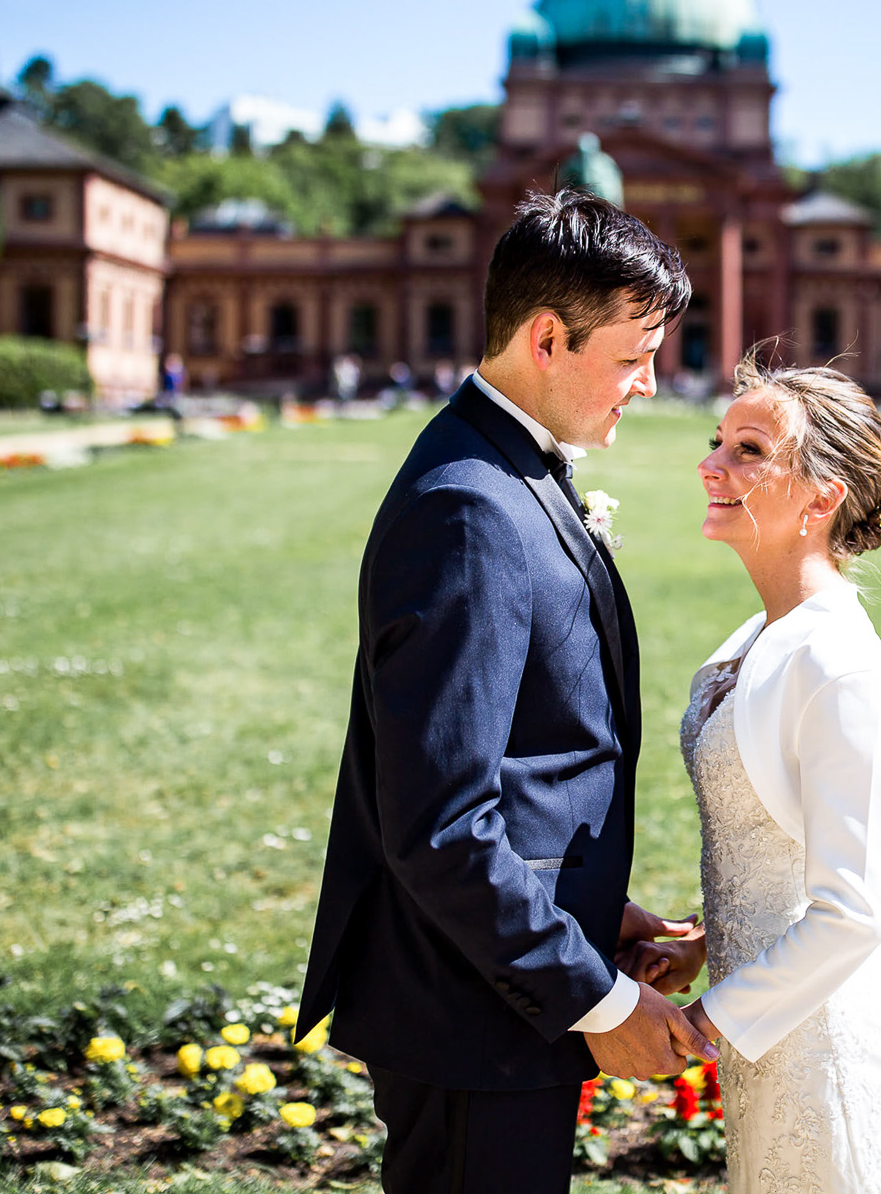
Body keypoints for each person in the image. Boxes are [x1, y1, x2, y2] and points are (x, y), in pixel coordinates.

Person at [296, 189, 711, 1194]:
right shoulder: (467, 507)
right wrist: (596, 999)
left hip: (493, 990)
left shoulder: (506, 465)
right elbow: (442, 824)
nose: (650, 384)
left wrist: (594, 908)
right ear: (546, 339)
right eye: (634, 355)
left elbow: (523, 757)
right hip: (468, 1017)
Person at [623, 355, 881, 1194]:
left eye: (750, 451)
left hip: (828, 1053)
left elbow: (854, 911)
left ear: (822, 497)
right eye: (718, 440)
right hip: (769, 1041)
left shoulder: (845, 669)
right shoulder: (759, 636)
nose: (711, 465)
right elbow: (775, 837)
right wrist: (704, 944)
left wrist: (700, 1022)